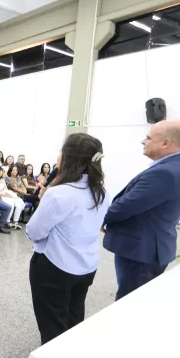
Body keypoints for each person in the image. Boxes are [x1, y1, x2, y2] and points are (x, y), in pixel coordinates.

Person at [26, 133, 109, 345]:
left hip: (55, 268)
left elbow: (34, 232)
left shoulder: (60, 193)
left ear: (68, 158)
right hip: (87, 265)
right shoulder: (100, 190)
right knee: (74, 314)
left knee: (53, 323)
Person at [103, 119, 180, 300]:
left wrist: (100, 217)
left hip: (140, 254)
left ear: (165, 143)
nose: (143, 141)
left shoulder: (165, 173)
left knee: (129, 304)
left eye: (148, 137)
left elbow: (126, 206)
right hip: (151, 248)